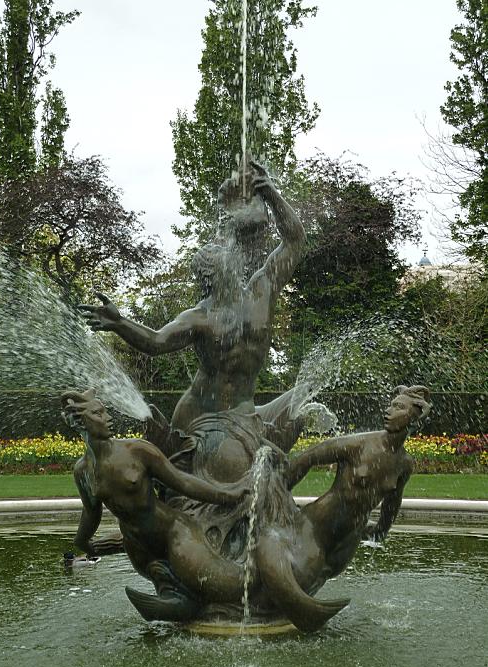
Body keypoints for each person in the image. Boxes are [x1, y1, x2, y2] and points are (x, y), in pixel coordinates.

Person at [79, 162, 308, 441]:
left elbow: (295, 241)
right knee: (227, 458)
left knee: (302, 398)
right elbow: (156, 342)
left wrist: (271, 193)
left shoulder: (262, 290)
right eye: (221, 253)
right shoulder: (199, 317)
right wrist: (119, 323)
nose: (229, 250)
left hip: (244, 412)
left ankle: (266, 460)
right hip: (201, 416)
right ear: (213, 273)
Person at [61, 389, 251, 621]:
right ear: (80, 423)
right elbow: (91, 513)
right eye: (98, 414)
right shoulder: (83, 471)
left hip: (173, 533)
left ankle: (259, 581)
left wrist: (227, 495)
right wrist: (82, 540)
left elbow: (182, 482)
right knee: (175, 593)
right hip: (139, 547)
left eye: (105, 412)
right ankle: (180, 606)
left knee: (223, 586)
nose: (108, 418)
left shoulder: (137, 450)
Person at [258, 385, 432, 631]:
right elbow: (311, 456)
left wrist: (381, 530)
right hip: (319, 525)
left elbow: (392, 503)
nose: (388, 411)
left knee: (312, 582)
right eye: (391, 405)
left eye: (398, 407)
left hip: (348, 539)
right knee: (299, 578)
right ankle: (258, 616)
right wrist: (280, 491)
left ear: (413, 417)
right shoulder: (359, 444)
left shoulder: (404, 463)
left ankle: (284, 618)